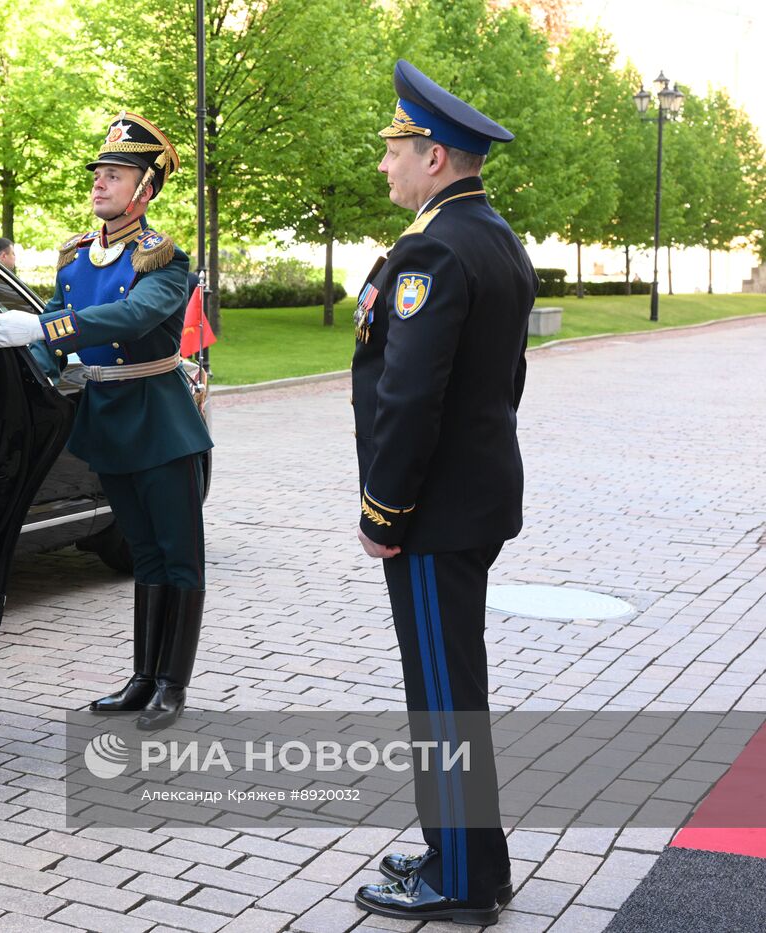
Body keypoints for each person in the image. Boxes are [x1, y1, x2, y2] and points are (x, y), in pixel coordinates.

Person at [349, 60, 536, 924]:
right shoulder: (493, 234)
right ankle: (464, 852)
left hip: (430, 513)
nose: (384, 165)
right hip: (474, 497)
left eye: (396, 150)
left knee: (442, 693)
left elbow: (409, 394)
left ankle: (461, 879)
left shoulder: (433, 247)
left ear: (435, 156)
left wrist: (385, 509)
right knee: (451, 682)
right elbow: (505, 380)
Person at [0, 113, 212, 731]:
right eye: (99, 174)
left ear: (145, 190)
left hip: (159, 421)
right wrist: (18, 355)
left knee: (179, 556)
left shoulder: (161, 258)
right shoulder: (76, 258)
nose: (100, 184)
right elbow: (50, 333)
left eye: (115, 175)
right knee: (142, 554)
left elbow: (132, 317)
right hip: (107, 419)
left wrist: (46, 328)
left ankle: (172, 684)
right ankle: (141, 678)